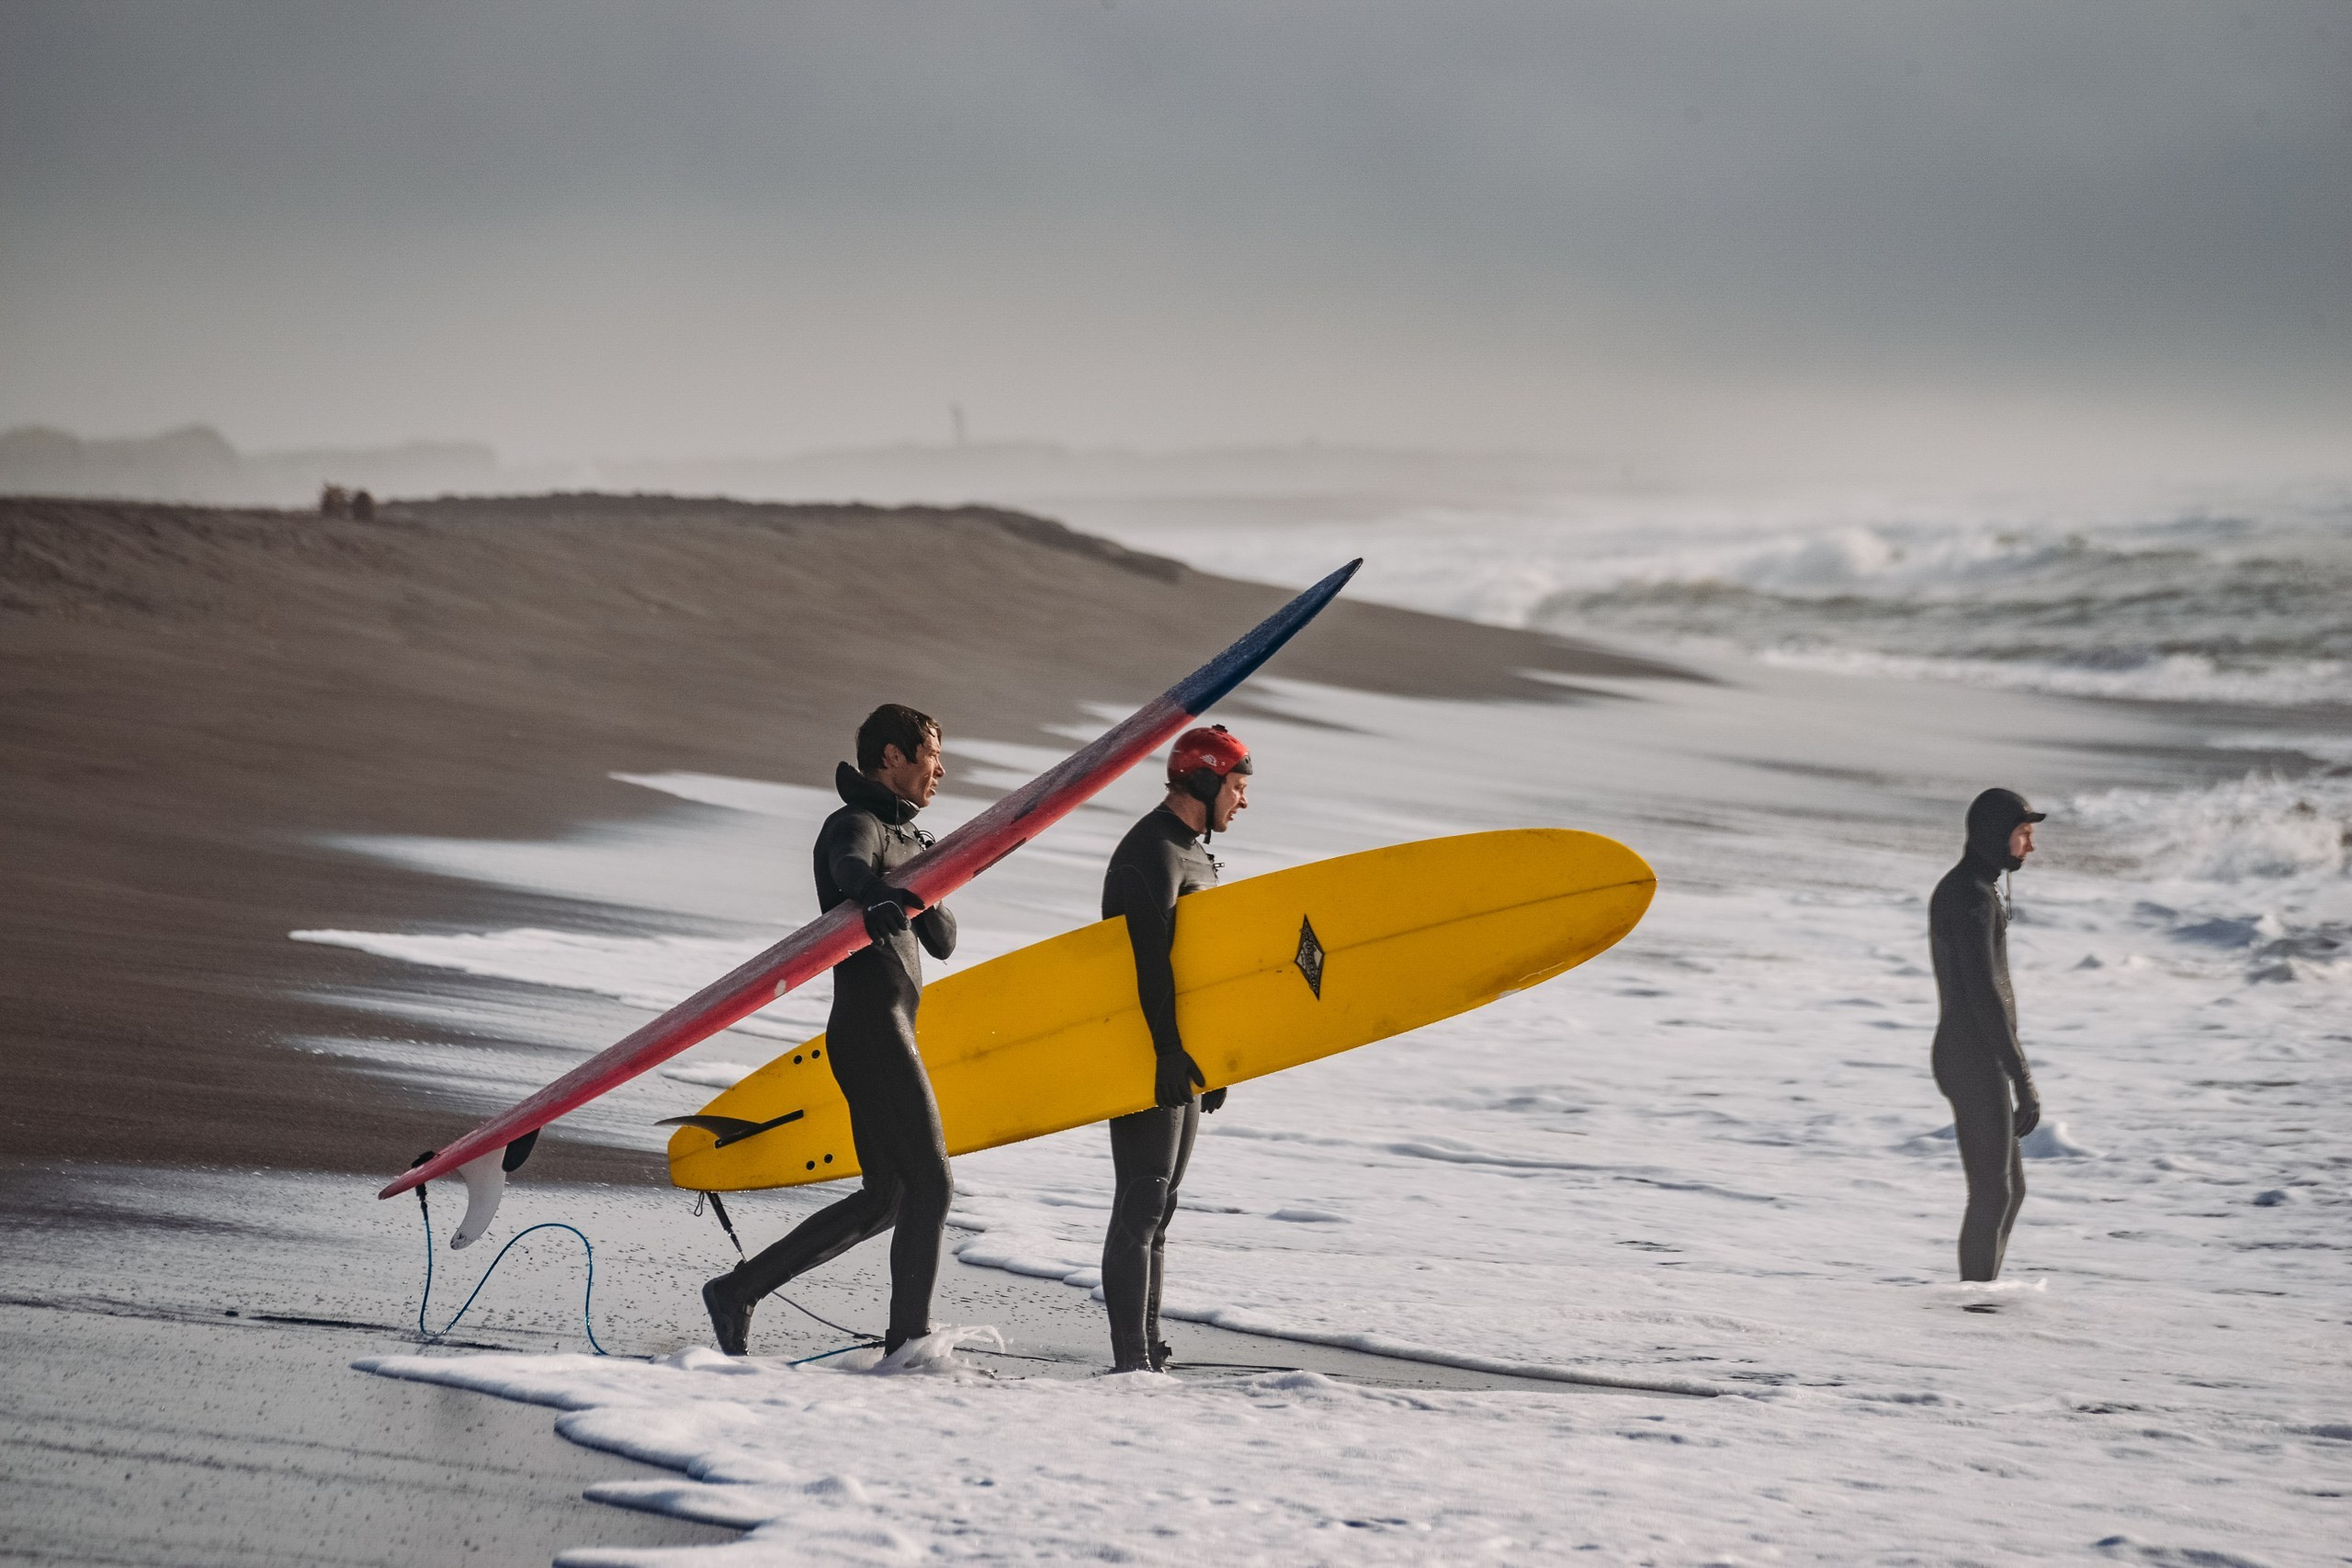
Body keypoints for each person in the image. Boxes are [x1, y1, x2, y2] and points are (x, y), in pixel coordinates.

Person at [702, 704, 957, 1356]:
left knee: (888, 1199)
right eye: (931, 753)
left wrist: (917, 882)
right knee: (932, 1181)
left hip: (887, 1029)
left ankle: (738, 1290)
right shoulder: (855, 824)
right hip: (871, 1027)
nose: (941, 768)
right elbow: (848, 866)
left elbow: (945, 938)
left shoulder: (911, 841)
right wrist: (873, 891)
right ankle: (909, 1343)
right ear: (893, 757)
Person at [1097, 724, 1250, 1371]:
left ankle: (1147, 1351)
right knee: (1141, 1197)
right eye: (1238, 787)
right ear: (1208, 779)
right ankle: (1130, 1359)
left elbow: (1198, 973)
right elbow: (1149, 964)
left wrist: (1208, 1053)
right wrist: (1164, 1050)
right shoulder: (1151, 852)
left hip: (1176, 1049)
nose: (1243, 801)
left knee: (1162, 1203)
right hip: (1142, 1044)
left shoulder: (1195, 854)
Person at [1928, 787, 2046, 1282]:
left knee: (2009, 1191)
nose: (2030, 847)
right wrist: (2022, 1076)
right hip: (1971, 1055)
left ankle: (1981, 1294)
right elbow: (1984, 996)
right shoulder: (1970, 898)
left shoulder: (1976, 889)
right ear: (1996, 837)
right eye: (2023, 834)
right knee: (1993, 1192)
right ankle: (1974, 1306)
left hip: (1974, 1053)